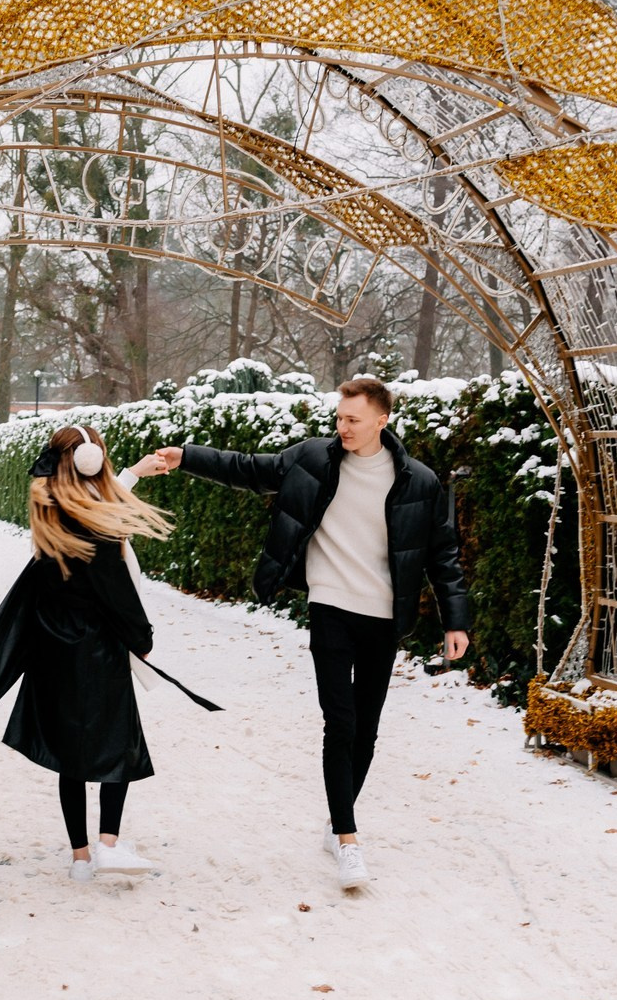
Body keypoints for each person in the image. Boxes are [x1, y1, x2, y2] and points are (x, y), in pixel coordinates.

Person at [133, 376, 470, 891]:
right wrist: (188, 456)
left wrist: (456, 619)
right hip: (330, 606)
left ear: (383, 420)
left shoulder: (419, 482)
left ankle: (339, 821)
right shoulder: (314, 459)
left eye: (354, 419)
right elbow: (250, 468)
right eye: (340, 417)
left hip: (384, 617)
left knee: (367, 728)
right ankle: (348, 837)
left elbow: (441, 555)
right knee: (340, 723)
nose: (343, 427)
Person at [0, 426, 176, 881]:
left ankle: (80, 859)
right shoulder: (96, 524)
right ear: (90, 459)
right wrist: (142, 638)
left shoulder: (51, 507)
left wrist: (134, 472)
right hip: (99, 647)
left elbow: (96, 500)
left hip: (53, 647)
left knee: (71, 757)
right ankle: (108, 846)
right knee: (119, 744)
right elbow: (116, 589)